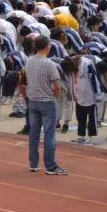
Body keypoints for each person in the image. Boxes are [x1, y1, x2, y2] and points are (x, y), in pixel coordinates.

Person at [25, 35, 68, 175]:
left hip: (33, 101)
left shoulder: (28, 61)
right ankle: (50, 166)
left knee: (34, 134)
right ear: (46, 47)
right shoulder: (49, 63)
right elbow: (57, 86)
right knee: (49, 135)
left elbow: (25, 80)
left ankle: (33, 163)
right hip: (47, 101)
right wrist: (54, 97)